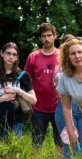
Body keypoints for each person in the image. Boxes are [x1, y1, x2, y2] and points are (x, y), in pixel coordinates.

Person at [0, 42, 36, 138]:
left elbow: (33, 100)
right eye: (8, 53)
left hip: (16, 121)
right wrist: (2, 98)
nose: (11, 57)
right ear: (2, 54)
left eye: (14, 54)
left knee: (15, 151)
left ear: (17, 57)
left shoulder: (23, 76)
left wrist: (18, 91)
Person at [24, 23, 63, 152]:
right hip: (38, 107)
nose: (47, 39)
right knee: (37, 141)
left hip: (59, 105)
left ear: (55, 36)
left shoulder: (62, 56)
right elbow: (26, 81)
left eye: (49, 35)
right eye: (44, 36)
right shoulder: (33, 57)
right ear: (40, 38)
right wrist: (29, 103)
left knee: (60, 141)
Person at [54, 34, 82, 159]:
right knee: (68, 144)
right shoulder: (59, 69)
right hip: (65, 106)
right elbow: (61, 94)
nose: (75, 55)